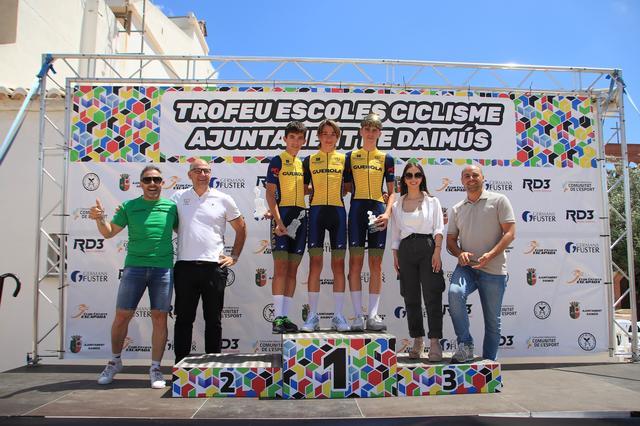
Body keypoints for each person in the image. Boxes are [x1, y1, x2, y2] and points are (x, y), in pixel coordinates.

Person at [89, 165, 178, 388]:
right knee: (122, 316)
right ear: (140, 183)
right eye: (148, 180)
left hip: (163, 269)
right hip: (134, 268)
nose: (152, 184)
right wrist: (99, 219)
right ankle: (115, 361)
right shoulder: (129, 206)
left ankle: (156, 368)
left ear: (162, 183)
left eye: (157, 180)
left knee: (159, 318)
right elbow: (109, 232)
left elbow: (189, 230)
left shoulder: (172, 207)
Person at [171, 158, 246, 363]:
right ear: (189, 175)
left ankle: (213, 366)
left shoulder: (223, 198)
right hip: (185, 267)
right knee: (184, 319)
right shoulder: (177, 197)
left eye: (206, 171)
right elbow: (167, 222)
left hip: (214, 267)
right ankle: (180, 366)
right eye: (198, 171)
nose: (203, 175)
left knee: (213, 320)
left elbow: (241, 228)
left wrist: (235, 256)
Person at [447, 165, 516, 362]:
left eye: (475, 175)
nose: (471, 178)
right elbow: (451, 240)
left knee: (493, 322)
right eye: (466, 176)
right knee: (454, 293)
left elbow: (510, 232)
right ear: (462, 181)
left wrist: (491, 255)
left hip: (493, 269)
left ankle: (489, 367)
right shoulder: (457, 209)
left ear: (483, 177)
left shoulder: (499, 200)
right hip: (467, 269)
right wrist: (460, 253)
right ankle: (466, 344)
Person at [344, 113, 395, 331]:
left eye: (375, 130)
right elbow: (344, 186)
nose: (371, 133)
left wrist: (387, 213)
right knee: (355, 264)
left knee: (376, 264)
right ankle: (357, 316)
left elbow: (392, 192)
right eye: (367, 128)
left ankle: (373, 316)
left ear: (379, 133)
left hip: (378, 211)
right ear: (361, 131)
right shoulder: (350, 156)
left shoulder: (387, 158)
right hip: (356, 210)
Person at [390, 162, 445, 361]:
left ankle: (435, 342)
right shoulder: (397, 204)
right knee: (410, 297)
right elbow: (396, 234)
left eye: (417, 175)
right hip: (405, 250)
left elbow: (439, 228)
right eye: (409, 175)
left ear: (422, 178)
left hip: (428, 248)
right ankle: (417, 340)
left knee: (432, 295)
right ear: (404, 179)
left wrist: (437, 252)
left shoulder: (433, 201)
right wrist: (395, 254)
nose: (413, 179)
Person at [300, 119, 349, 332]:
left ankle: (338, 316)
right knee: (315, 265)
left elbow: (347, 187)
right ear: (318, 137)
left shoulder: (344, 160)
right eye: (325, 133)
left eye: (332, 134)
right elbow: (302, 189)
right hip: (317, 213)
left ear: (337, 138)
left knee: (338, 265)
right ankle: (312, 316)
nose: (328, 137)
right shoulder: (309, 160)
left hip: (337, 213)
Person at [265, 121, 309, 333]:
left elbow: (306, 189)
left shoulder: (303, 164)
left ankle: (285, 317)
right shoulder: (277, 160)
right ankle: (277, 318)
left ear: (304, 141)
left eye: (300, 138)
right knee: (280, 269)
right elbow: (270, 192)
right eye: (292, 137)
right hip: (282, 218)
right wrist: (278, 220)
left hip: (300, 217)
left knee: (293, 269)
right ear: (285, 139)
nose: (296, 141)